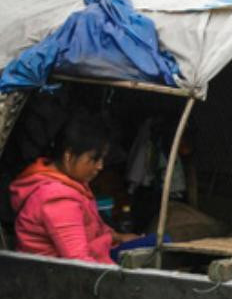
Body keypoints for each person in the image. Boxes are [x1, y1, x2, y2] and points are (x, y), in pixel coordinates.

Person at [9, 113, 139, 264]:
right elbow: (79, 264)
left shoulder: (71, 182)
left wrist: (119, 237)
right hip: (58, 278)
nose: (100, 166)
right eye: (94, 159)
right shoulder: (56, 198)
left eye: (102, 159)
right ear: (68, 155)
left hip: (100, 253)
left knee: (157, 244)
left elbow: (95, 229)